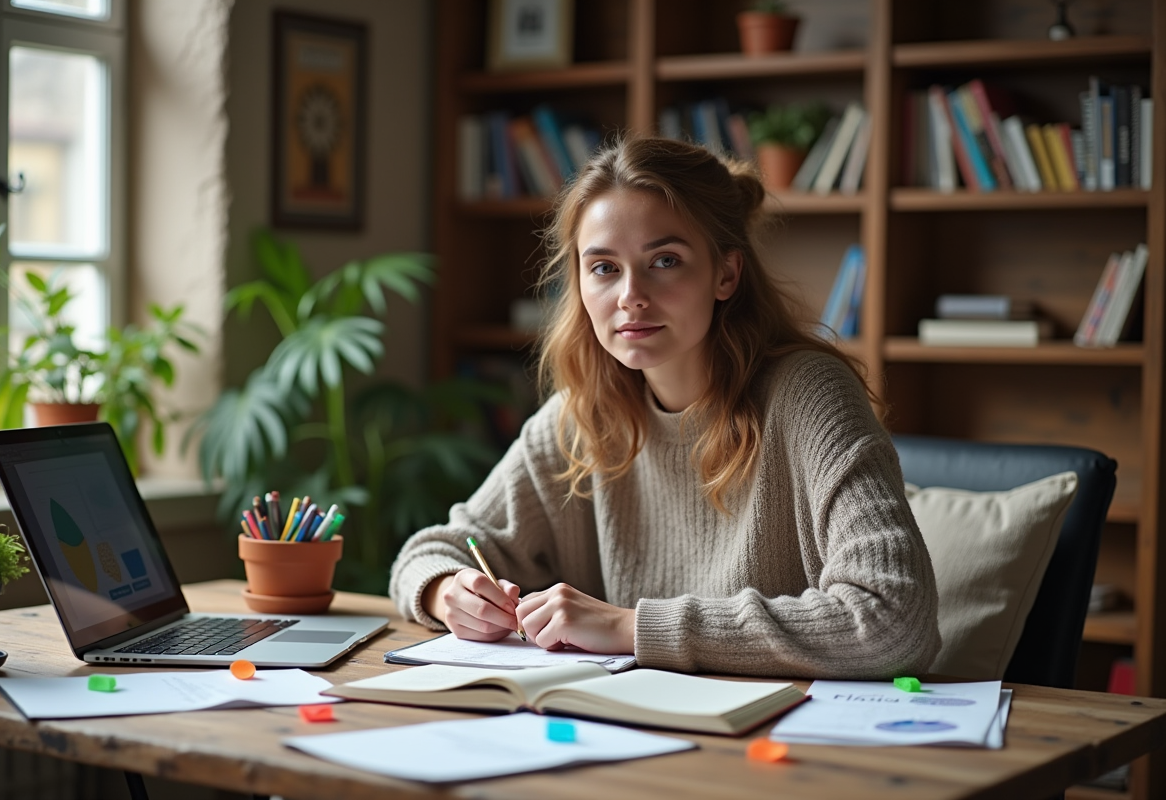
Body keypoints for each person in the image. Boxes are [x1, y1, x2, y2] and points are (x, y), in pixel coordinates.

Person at [390, 137, 940, 678]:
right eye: (603, 267)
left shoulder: (807, 396)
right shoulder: (579, 417)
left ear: (726, 274)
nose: (631, 295)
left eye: (665, 260)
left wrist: (631, 628)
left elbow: (895, 619)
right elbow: (433, 551)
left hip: (788, 741)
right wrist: (448, 594)